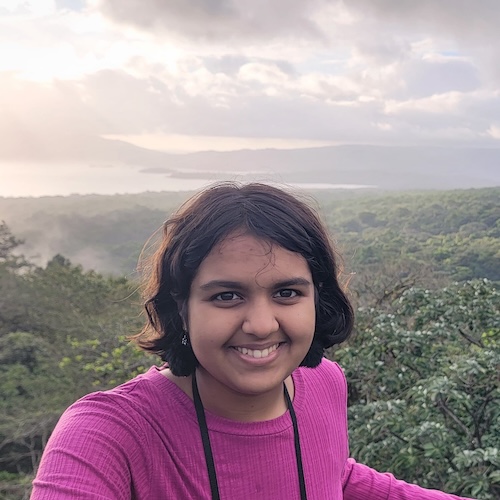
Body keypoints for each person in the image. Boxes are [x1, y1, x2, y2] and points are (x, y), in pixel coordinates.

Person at [31, 183, 475, 499]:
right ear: (180, 307)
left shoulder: (324, 383)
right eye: (226, 296)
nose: (262, 325)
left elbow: (332, 478)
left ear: (317, 300)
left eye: (287, 293)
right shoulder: (107, 433)